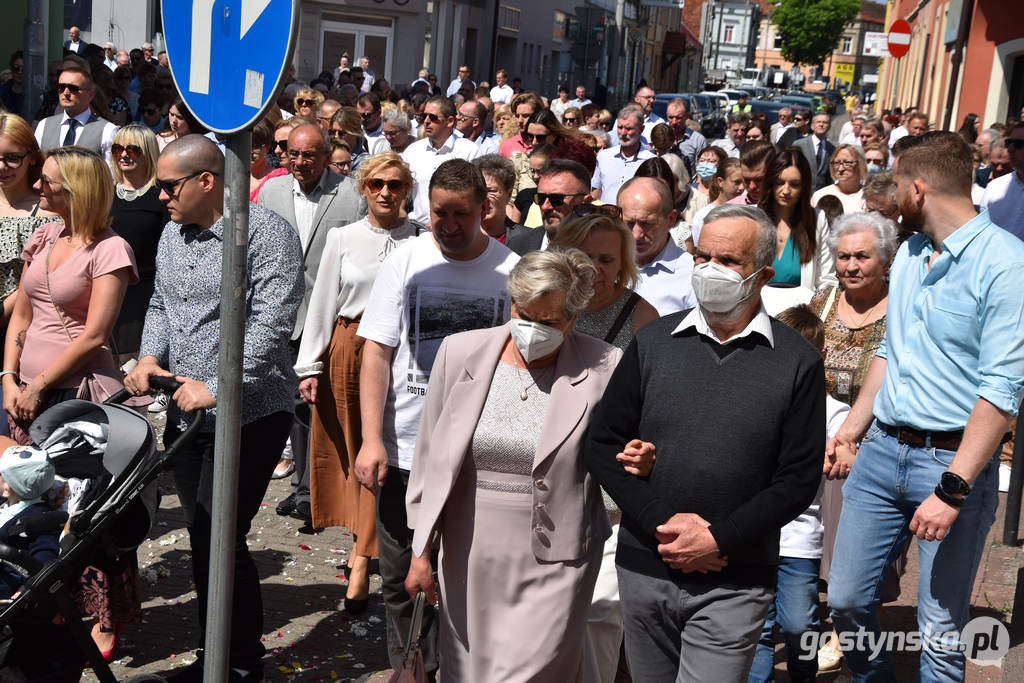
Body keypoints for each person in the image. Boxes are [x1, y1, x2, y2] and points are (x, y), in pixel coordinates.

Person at [585, 203, 826, 681]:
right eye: (702, 257)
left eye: (729, 261)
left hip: (735, 578)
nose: (710, 270)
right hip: (645, 567)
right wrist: (661, 522)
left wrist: (718, 537)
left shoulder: (797, 360)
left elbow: (797, 480)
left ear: (763, 274)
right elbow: (603, 443)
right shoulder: (653, 341)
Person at [826, 132, 1024, 682]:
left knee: (939, 630)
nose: (888, 194)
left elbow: (1002, 391)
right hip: (882, 451)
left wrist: (953, 489)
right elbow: (892, 350)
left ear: (917, 189)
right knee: (844, 601)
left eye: (895, 182)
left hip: (951, 463)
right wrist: (851, 429)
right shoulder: (910, 254)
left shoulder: (1007, 265)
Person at [125, 134, 304, 682]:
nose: (161, 197)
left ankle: (238, 662)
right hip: (185, 410)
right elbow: (161, 301)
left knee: (220, 534)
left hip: (251, 411)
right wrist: (149, 353)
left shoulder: (265, 235)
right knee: (205, 533)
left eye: (169, 185)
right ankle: (219, 657)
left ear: (208, 181)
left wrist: (220, 387)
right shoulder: (176, 234)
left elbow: (272, 325)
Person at [405, 248, 621, 682]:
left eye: (549, 322)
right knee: (469, 672)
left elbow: (612, 465)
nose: (533, 330)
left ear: (575, 318)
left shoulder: (603, 366)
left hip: (559, 558)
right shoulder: (460, 352)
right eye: (525, 314)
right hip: (470, 553)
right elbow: (430, 457)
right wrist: (420, 551)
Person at [354, 159, 519, 677]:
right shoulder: (406, 260)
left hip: (478, 454)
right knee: (401, 576)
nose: (448, 226)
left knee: (464, 579)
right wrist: (371, 439)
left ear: (485, 210)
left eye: (461, 215)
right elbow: (377, 352)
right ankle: (407, 667)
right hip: (405, 449)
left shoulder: (510, 272)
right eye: (438, 213)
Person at [3, 145, 140, 660]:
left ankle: (106, 619)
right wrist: (10, 379)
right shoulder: (44, 236)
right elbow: (21, 314)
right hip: (23, 391)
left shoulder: (109, 249)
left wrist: (38, 388)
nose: (39, 186)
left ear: (77, 189)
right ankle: (39, 600)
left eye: (49, 181)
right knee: (25, 501)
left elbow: (94, 335)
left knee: (82, 512)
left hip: (74, 398)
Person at [294, 152, 419, 615]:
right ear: (364, 188)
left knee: (385, 450)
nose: (386, 192)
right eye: (377, 184)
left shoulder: (421, 240)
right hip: (349, 348)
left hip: (401, 354)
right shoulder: (342, 237)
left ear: (408, 190)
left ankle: (362, 559)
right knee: (354, 455)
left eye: (396, 184)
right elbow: (323, 301)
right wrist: (310, 366)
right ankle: (362, 547)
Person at [258, 123, 366, 525]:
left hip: (328, 316)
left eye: (309, 155)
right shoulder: (271, 192)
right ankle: (300, 488)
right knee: (290, 405)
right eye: (293, 154)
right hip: (281, 313)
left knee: (319, 404)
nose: (300, 162)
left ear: (326, 156)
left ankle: (317, 491)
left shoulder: (351, 194)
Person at [806, 211, 897, 671]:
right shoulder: (822, 301)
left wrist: (851, 438)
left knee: (856, 542)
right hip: (817, 434)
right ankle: (821, 615)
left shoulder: (902, 306)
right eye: (844, 256)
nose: (851, 266)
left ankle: (850, 628)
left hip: (874, 439)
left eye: (862, 256)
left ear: (886, 260)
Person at [747, 304, 850, 683]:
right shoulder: (756, 399)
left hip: (799, 537)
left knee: (798, 624)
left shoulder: (834, 412)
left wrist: (841, 455)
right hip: (755, 532)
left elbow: (841, 454)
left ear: (819, 356)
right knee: (757, 626)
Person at [0, 114, 57, 436]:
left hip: (24, 330)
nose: (2, 167)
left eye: (12, 158)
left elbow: (36, 285)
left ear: (32, 157)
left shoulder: (44, 210)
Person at [108, 124, 169, 368]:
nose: (123, 155)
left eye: (132, 149)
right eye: (117, 148)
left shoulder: (162, 196)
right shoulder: (104, 193)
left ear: (148, 153)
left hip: (145, 297)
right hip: (105, 292)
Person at [618, 176, 697, 315]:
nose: (636, 235)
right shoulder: (603, 263)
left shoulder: (692, 276)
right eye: (629, 223)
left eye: (647, 224)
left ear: (671, 219)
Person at [759, 149, 836, 291]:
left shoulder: (818, 219)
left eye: (794, 184)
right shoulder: (753, 218)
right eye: (780, 182)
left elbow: (826, 280)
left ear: (804, 186)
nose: (786, 190)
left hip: (801, 310)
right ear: (771, 183)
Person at [401, 96, 480, 223]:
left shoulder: (469, 151)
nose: (426, 121)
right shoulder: (412, 151)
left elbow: (475, 195)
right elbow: (402, 191)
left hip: (453, 229)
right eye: (424, 116)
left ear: (449, 121)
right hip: (417, 229)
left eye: (432, 117)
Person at [508, 159, 593, 255]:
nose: (545, 207)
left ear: (585, 201)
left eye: (556, 199)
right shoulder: (518, 244)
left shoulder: (602, 250)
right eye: (540, 198)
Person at [34, 67, 118, 161]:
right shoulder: (44, 126)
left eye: (73, 88)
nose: (66, 93)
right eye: (62, 87)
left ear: (90, 95)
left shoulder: (107, 130)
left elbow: (111, 172)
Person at [591, 107, 655, 201]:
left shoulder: (651, 161)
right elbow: (596, 191)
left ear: (641, 129)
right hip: (605, 214)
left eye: (628, 128)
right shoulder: (604, 156)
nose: (623, 133)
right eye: (620, 127)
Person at [980, 123, 1024, 241]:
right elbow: (980, 229)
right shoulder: (995, 187)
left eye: (1019, 144)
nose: (1010, 149)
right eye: (1009, 143)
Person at [691, 157, 744, 245]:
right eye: (737, 182)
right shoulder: (703, 215)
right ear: (720, 181)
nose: (742, 187)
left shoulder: (749, 211)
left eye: (744, 182)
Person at [473, 154, 523, 244]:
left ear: (509, 195)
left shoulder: (526, 238)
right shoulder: (460, 236)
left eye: (491, 191)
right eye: (479, 190)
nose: (484, 198)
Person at [811, 144, 865, 214]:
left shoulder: (868, 196)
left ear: (860, 164)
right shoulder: (820, 195)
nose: (841, 169)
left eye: (847, 163)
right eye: (836, 163)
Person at [794, 113, 835, 192]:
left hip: (821, 194)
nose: (821, 124)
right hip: (802, 192)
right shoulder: (799, 145)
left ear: (829, 127)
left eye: (825, 122)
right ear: (812, 126)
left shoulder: (832, 149)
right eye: (818, 122)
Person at [665, 98, 707, 173]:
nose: (674, 122)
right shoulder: (660, 135)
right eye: (670, 117)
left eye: (678, 118)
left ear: (687, 116)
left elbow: (702, 171)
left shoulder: (698, 140)